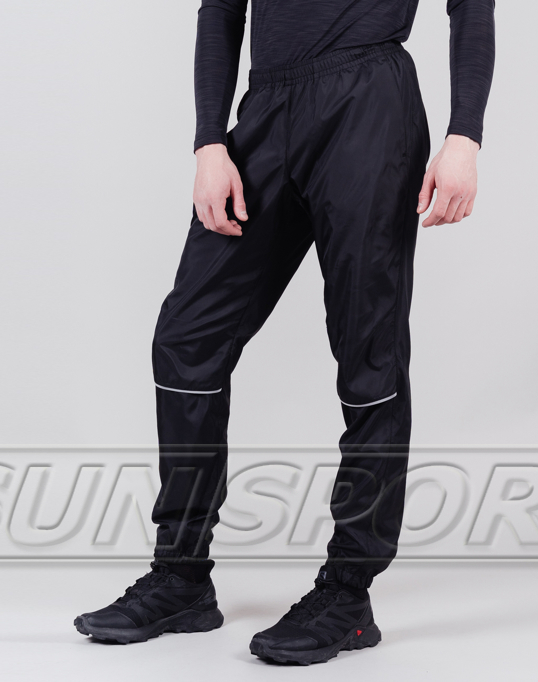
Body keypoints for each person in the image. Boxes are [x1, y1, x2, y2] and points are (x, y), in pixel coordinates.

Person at [74, 0, 495, 664]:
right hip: (266, 109)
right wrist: (209, 140)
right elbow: (220, 11)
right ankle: (181, 576)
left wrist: (464, 134)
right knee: (186, 340)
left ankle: (347, 593)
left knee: (368, 352)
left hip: (368, 100)